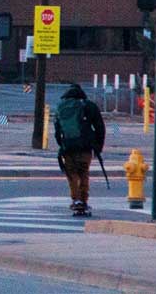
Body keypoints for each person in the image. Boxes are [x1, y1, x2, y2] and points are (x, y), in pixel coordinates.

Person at [54, 83, 106, 217]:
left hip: (68, 147)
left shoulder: (61, 107)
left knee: (71, 174)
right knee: (83, 172)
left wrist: (62, 144)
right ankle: (83, 200)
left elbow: (57, 130)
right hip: (85, 146)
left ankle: (75, 199)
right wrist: (98, 147)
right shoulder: (89, 106)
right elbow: (100, 127)